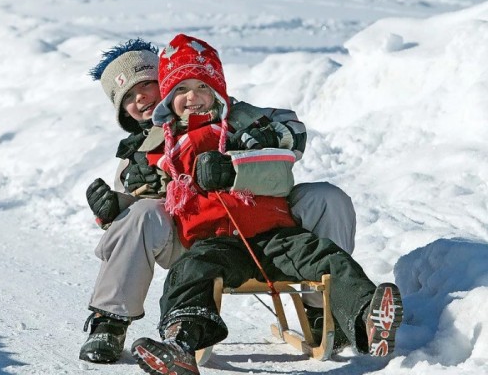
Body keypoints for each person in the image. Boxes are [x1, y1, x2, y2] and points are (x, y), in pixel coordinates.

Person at [129, 34, 403, 375]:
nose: (194, 98)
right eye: (182, 90)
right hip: (215, 242)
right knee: (191, 273)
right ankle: (180, 343)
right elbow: (142, 192)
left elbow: (287, 143)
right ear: (169, 98)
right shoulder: (164, 145)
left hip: (274, 233)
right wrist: (128, 187)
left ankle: (365, 318)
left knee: (326, 256)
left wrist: (247, 153)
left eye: (203, 87)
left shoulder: (244, 124)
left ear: (217, 90)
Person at [79, 39, 357, 363]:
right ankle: (109, 323)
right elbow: (132, 225)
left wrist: (267, 137)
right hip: (191, 239)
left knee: (326, 197)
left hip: (267, 224)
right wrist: (114, 206)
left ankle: (326, 308)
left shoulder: (237, 114)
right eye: (127, 97)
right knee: (141, 213)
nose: (140, 98)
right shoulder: (136, 156)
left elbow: (293, 131)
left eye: (145, 85)